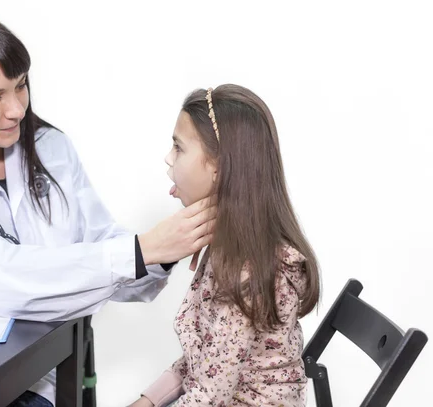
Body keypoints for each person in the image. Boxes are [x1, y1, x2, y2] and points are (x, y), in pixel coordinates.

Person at [0, 9, 215, 407]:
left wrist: (163, 253)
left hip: (51, 373)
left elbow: (99, 241)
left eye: (20, 86)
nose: (16, 108)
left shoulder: (49, 147)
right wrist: (141, 250)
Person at [129, 85, 320, 407]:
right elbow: (208, 360)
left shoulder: (253, 270)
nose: (168, 157)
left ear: (218, 166)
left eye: (178, 147)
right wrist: (148, 400)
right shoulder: (229, 247)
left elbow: (209, 394)